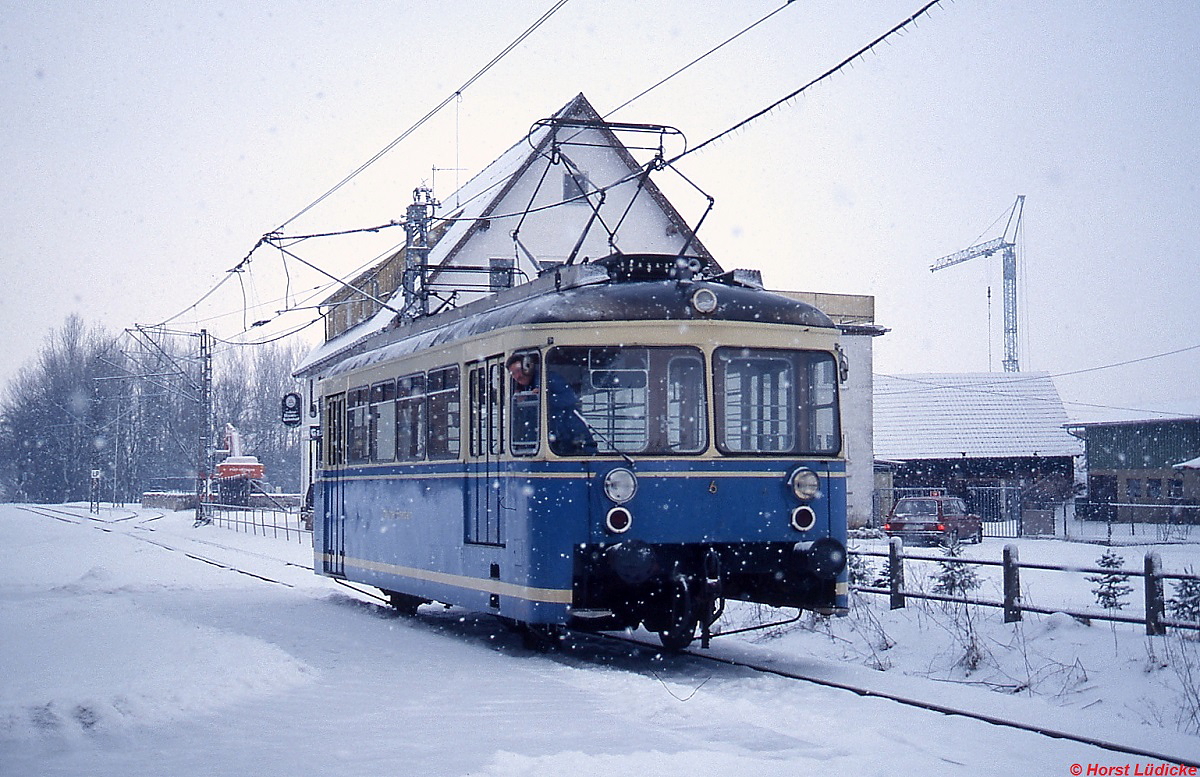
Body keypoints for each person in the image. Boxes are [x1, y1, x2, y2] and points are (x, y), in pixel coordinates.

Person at [506, 353, 596, 455]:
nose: (517, 377)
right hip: (550, 440)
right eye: (513, 374)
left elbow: (569, 399)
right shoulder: (525, 390)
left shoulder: (549, 379)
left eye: (518, 371)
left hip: (568, 438)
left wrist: (544, 398)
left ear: (528, 367)